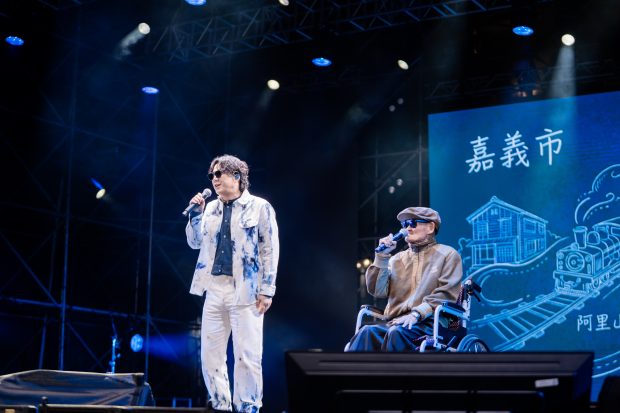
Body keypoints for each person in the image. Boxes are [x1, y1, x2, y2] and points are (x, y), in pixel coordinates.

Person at [185, 155, 279, 413]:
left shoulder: (259, 207)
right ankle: (221, 404)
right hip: (214, 288)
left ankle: (248, 407)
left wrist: (267, 289)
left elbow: (270, 250)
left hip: (246, 290)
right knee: (210, 354)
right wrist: (195, 215)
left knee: (247, 355)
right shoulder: (210, 209)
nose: (214, 179)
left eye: (219, 174)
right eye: (212, 176)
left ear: (236, 176)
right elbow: (194, 243)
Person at [346, 206, 462, 352]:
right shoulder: (395, 259)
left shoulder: (448, 254)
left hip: (433, 323)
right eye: (404, 224)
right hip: (396, 322)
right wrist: (382, 257)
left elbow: (446, 293)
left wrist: (416, 314)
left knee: (396, 333)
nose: (408, 228)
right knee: (366, 332)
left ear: (430, 227)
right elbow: (377, 291)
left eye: (413, 223)